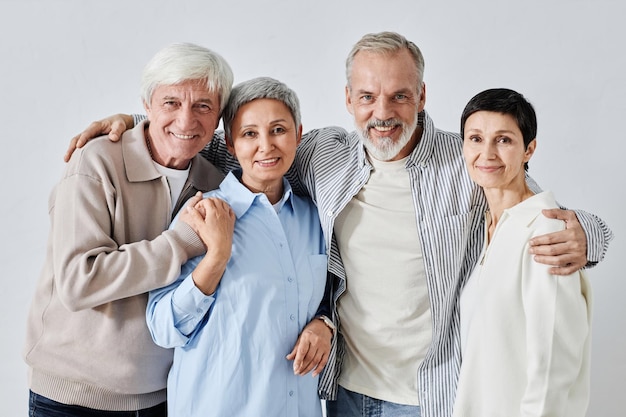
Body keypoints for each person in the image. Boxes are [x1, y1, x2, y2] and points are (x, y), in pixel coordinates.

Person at [65, 32, 613, 417]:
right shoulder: (323, 157)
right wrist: (137, 124)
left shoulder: (466, 160)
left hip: (432, 394)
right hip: (341, 392)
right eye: (368, 96)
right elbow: (215, 136)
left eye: (401, 95)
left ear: (423, 98)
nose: (384, 111)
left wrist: (591, 234)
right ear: (348, 101)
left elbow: (529, 202)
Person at [23, 42, 234, 416]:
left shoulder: (215, 183)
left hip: (165, 395)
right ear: (146, 104)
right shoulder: (96, 161)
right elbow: (79, 281)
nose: (186, 121)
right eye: (171, 102)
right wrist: (181, 242)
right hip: (72, 398)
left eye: (203, 105)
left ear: (218, 117)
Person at [146, 76, 332, 417]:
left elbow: (323, 299)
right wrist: (216, 258)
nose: (266, 145)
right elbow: (162, 326)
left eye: (278, 130)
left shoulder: (314, 220)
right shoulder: (201, 215)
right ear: (230, 144)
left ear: (298, 135)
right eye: (249, 134)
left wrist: (324, 323)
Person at [452, 88, 592, 417]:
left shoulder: (546, 232)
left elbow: (553, 368)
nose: (486, 153)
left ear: (529, 149)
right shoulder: (488, 229)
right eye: (475, 138)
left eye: (503, 140)